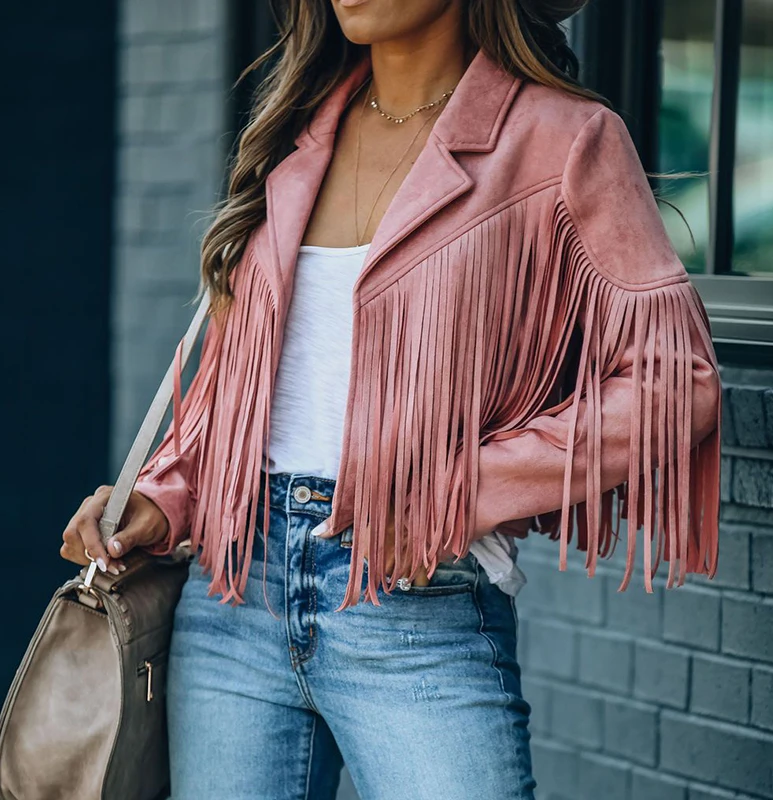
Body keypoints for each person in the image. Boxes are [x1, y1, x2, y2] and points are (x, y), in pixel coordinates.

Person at [61, 1, 722, 797]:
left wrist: (461, 489)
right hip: (235, 593)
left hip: (414, 604)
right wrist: (166, 499)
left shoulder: (562, 138)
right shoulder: (298, 131)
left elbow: (671, 381)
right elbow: (246, 383)